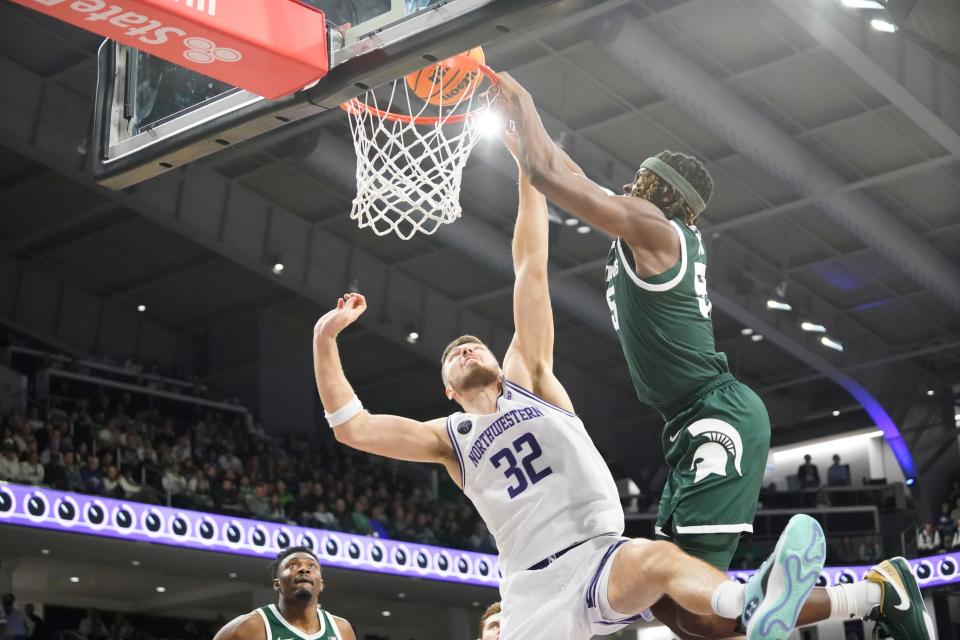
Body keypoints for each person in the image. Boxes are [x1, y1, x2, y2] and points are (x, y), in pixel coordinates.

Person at [490, 71, 934, 640]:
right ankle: (870, 594)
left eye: (639, 178)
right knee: (679, 610)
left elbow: (550, 174)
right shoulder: (646, 229)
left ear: (658, 191)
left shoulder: (653, 228)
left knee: (700, 611)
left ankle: (840, 591)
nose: (628, 184)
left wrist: (522, 102)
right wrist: (523, 139)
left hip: (714, 416)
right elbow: (563, 169)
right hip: (689, 420)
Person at [312, 165, 827, 640]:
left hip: (600, 557)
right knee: (682, 604)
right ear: (449, 390)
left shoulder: (528, 377)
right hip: (531, 589)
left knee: (660, 560)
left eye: (473, 344)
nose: (464, 348)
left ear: (495, 357)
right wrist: (324, 338)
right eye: (451, 355)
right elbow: (352, 427)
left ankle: (750, 598)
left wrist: (528, 171)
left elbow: (530, 266)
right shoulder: (449, 440)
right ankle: (854, 597)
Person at [212, 546, 355, 640]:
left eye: (311, 566)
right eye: (292, 565)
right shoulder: (248, 628)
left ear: (321, 584)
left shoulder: (342, 631)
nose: (304, 570)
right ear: (277, 583)